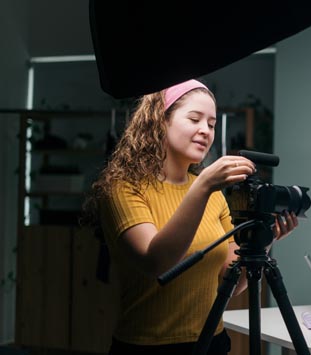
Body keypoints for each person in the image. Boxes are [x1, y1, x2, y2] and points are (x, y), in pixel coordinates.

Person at [82, 79, 299, 354]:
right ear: (161, 122)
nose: (205, 131)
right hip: (147, 347)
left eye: (211, 124)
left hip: (212, 341)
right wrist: (204, 185)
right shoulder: (124, 189)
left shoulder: (214, 195)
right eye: (194, 119)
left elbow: (231, 284)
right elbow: (156, 263)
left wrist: (264, 240)